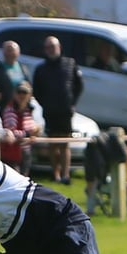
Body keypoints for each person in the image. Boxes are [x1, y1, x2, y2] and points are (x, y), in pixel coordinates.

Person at [33, 36, 83, 185]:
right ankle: (55, 174)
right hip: (50, 111)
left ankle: (65, 174)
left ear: (59, 47)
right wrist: (46, 104)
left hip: (65, 111)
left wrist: (72, 103)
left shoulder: (70, 64)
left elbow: (79, 86)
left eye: (53, 47)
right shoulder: (41, 68)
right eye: (48, 47)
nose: (51, 50)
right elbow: (37, 91)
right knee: (52, 144)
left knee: (65, 142)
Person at [0, 81, 39, 176]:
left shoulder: (30, 110)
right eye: (19, 92)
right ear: (14, 94)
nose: (21, 95)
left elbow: (36, 128)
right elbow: (11, 132)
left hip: (26, 151)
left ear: (30, 95)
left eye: (24, 93)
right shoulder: (9, 110)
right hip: (11, 152)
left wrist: (35, 132)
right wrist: (29, 134)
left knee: (24, 178)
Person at [0, 41, 31, 112]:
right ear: (3, 52)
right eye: (8, 50)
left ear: (18, 52)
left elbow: (29, 85)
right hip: (4, 107)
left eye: (12, 50)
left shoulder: (23, 68)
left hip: (21, 108)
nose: (10, 53)